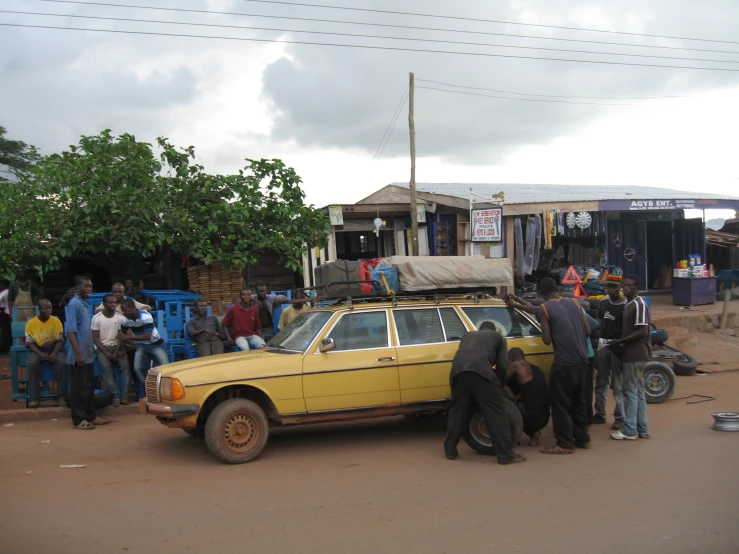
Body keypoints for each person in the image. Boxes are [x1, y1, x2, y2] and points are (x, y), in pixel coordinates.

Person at [508, 277, 591, 454]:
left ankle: (564, 444)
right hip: (583, 362)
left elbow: (546, 340)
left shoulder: (546, 308)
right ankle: (582, 438)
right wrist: (516, 302)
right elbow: (588, 330)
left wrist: (553, 328)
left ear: (541, 294)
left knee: (560, 404)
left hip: (564, 364)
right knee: (579, 402)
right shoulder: (575, 304)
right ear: (557, 290)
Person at [443, 321, 525, 465]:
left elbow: (463, 356)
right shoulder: (498, 337)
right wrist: (498, 384)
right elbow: (502, 364)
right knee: (496, 413)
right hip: (482, 373)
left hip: (457, 374)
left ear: (480, 329)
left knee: (458, 411)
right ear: (494, 329)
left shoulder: (468, 335)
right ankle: (505, 455)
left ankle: (450, 450)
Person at [609, 275, 651, 441]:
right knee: (638, 391)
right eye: (623, 285)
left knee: (631, 391)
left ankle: (630, 430)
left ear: (635, 287)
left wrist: (620, 341)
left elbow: (642, 331)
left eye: (628, 286)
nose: (624, 288)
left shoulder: (639, 304)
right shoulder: (628, 304)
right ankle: (642, 428)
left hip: (635, 353)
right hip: (631, 353)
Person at [65, 277, 107, 429]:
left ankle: (91, 415)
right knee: (78, 388)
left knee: (89, 386)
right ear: (78, 287)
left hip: (88, 354)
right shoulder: (74, 304)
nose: (89, 289)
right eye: (86, 286)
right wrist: (78, 354)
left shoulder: (85, 303)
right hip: (80, 355)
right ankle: (78, 419)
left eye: (91, 286)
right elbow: (70, 331)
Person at [592, 274, 626, 430]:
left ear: (620, 288)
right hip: (603, 345)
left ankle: (620, 418)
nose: (610, 290)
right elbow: (600, 321)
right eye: (609, 286)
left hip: (618, 346)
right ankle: (600, 413)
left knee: (618, 384)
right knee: (601, 382)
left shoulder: (626, 305)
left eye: (614, 287)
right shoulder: (603, 303)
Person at [25, 298, 67, 408]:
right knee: (32, 363)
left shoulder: (56, 321)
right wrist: (40, 354)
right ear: (39, 309)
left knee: (62, 362)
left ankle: (61, 396)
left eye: (50, 308)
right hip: (38, 351)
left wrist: (53, 354)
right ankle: (35, 398)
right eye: (45, 308)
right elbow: (29, 343)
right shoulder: (31, 323)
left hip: (54, 350)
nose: (48, 310)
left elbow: (60, 340)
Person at [504, 348, 550, 447]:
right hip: (544, 416)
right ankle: (534, 433)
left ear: (511, 358)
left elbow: (501, 381)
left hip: (530, 416)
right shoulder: (536, 369)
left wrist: (512, 397)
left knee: (502, 392)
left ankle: (510, 436)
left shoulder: (516, 365)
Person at [118, 298, 169, 387]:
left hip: (156, 345)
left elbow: (147, 336)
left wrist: (128, 337)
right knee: (137, 368)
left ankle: (165, 386)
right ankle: (150, 386)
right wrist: (123, 348)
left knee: (165, 366)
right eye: (122, 311)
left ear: (133, 307)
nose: (123, 313)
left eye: (125, 310)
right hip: (141, 346)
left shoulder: (146, 316)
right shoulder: (125, 320)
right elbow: (122, 334)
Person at [92, 294, 131, 407]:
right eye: (110, 302)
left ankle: (125, 396)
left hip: (117, 346)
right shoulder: (97, 318)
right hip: (102, 348)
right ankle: (115, 396)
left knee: (125, 367)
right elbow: (95, 338)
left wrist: (117, 351)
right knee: (106, 367)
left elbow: (121, 336)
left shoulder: (120, 317)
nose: (113, 304)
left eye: (114, 302)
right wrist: (106, 352)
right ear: (104, 304)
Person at [0, 279, 10, 353]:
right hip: (12, 313)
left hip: (5, 313)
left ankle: (5, 348)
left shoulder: (4, 293)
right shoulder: (11, 292)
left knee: (5, 331)